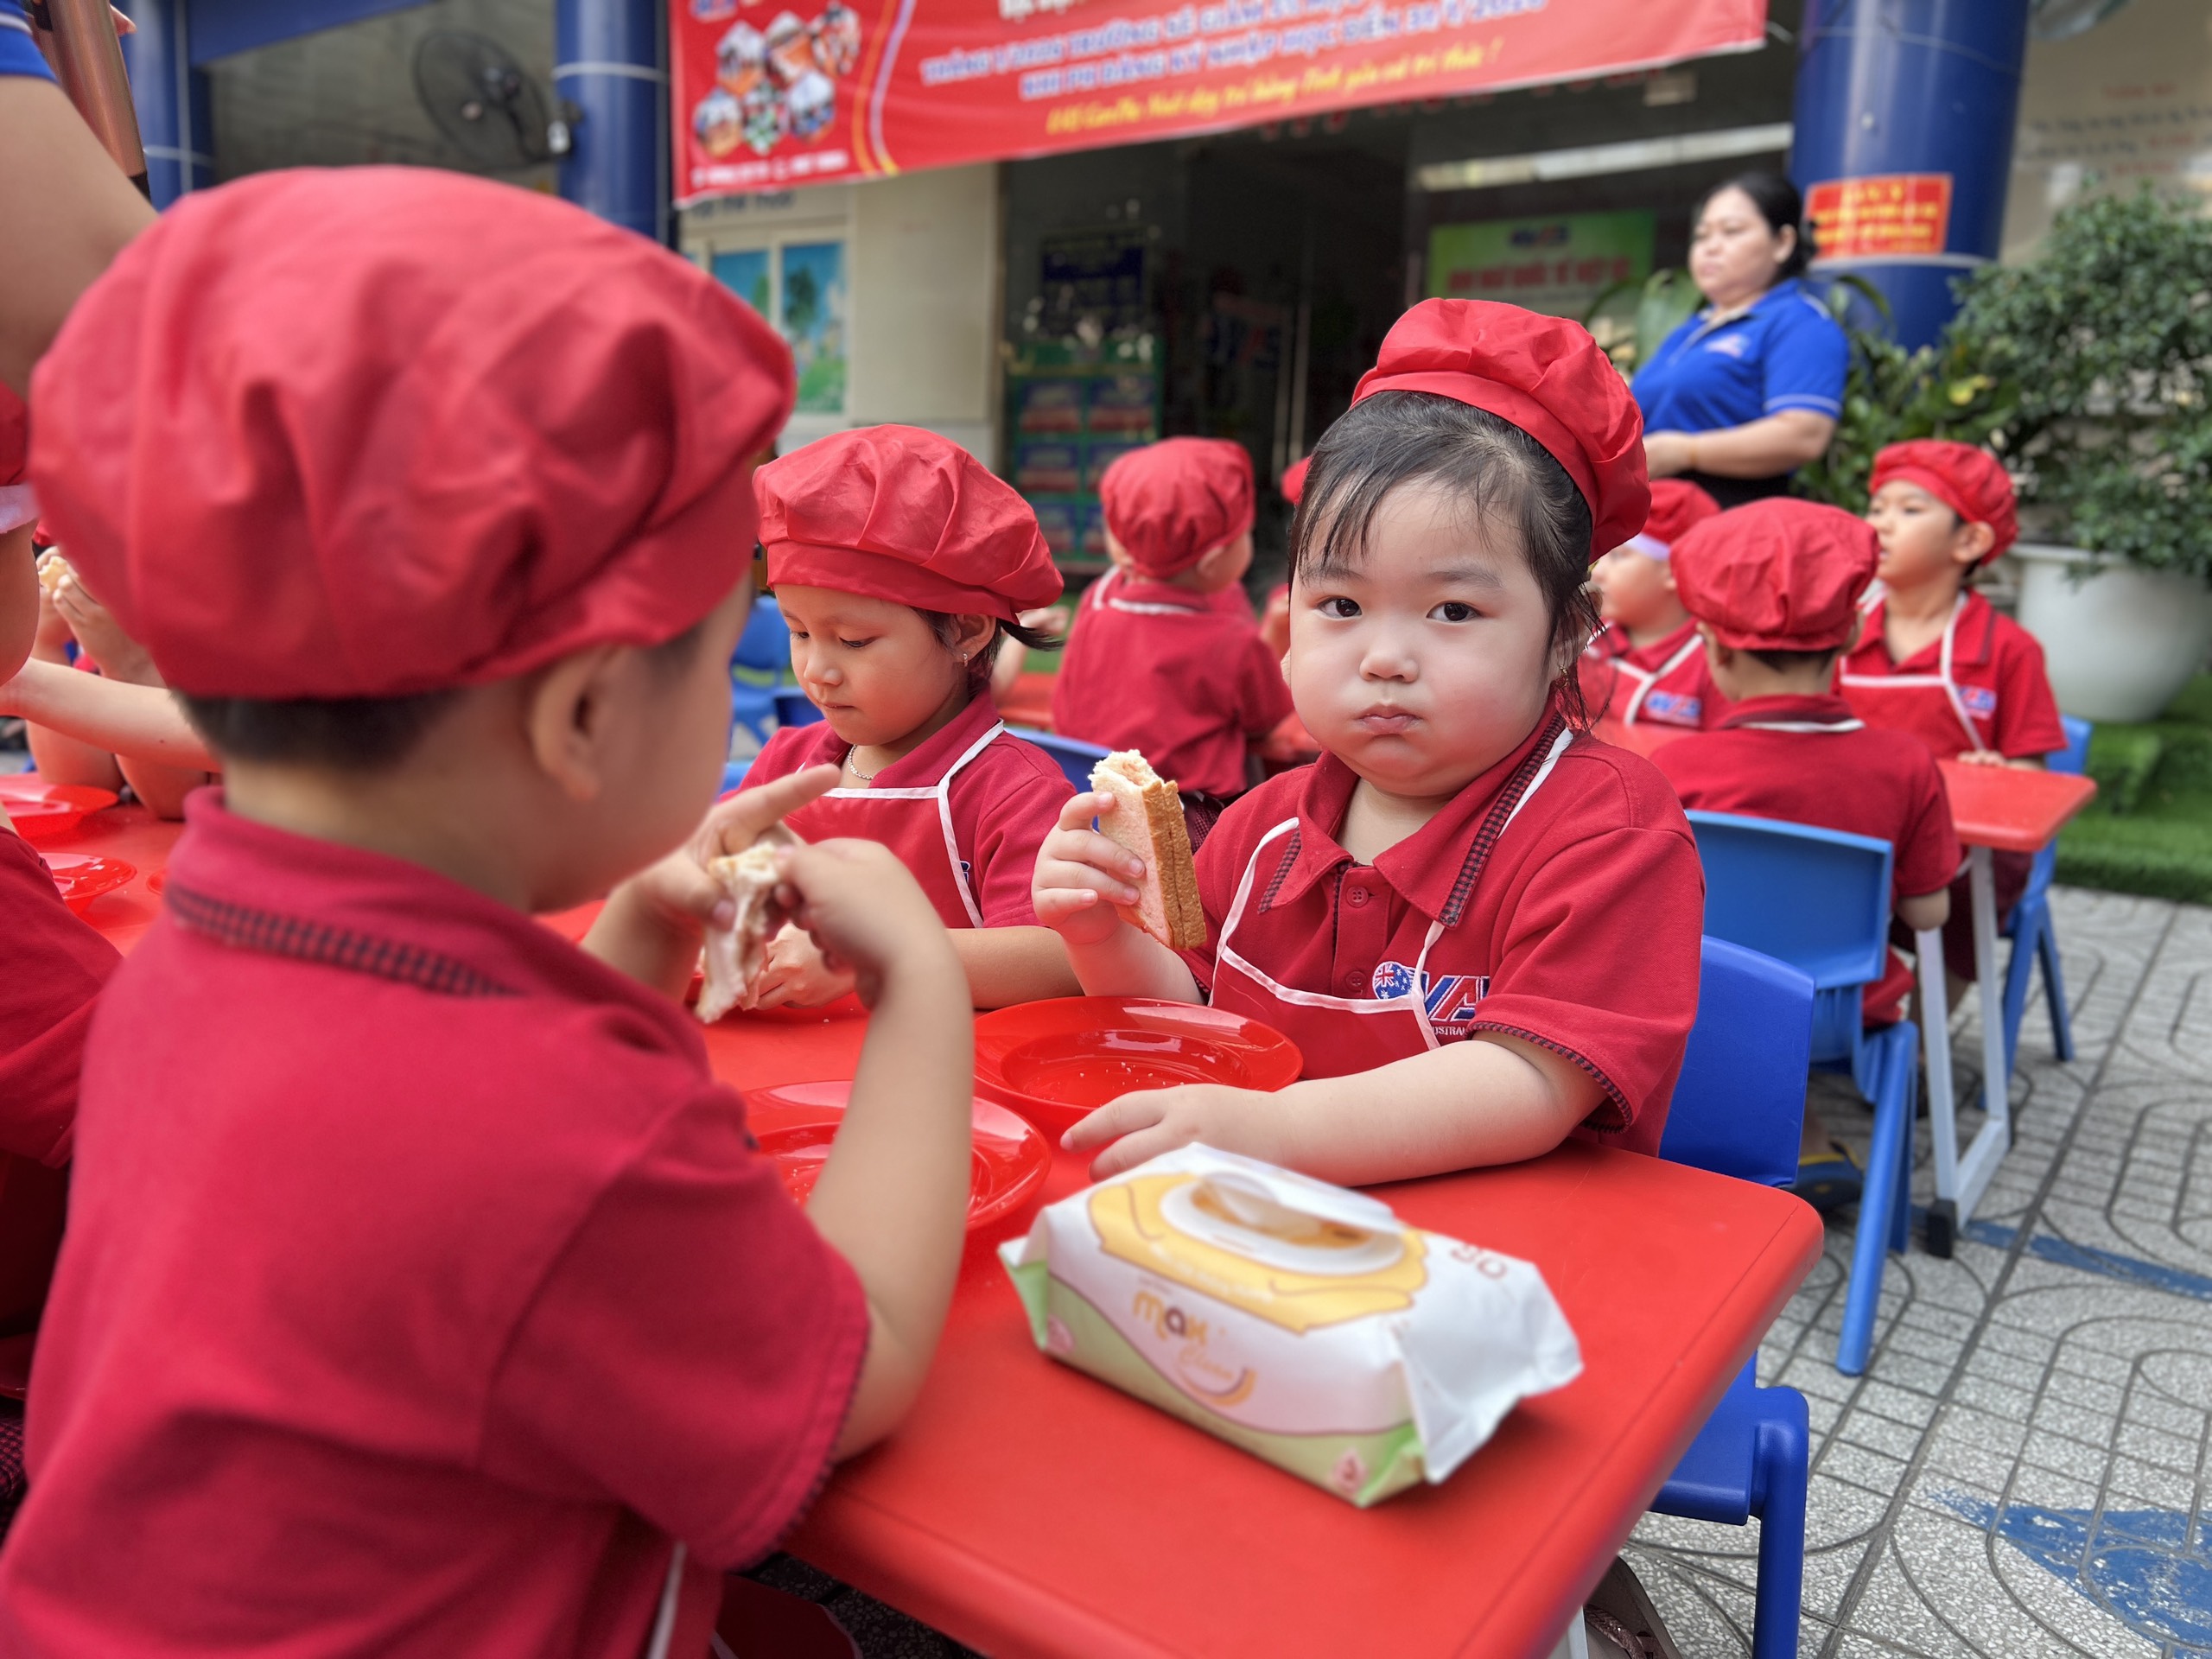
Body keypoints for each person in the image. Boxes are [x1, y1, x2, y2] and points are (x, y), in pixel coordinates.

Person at [0, 168, 980, 1659]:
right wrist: (918, 987)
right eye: (728, 648)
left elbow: (443, 1162)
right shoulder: (573, 1136)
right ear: (583, 713)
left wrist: (636, 937)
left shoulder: (189, 956)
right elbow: (862, 1370)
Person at [1031, 298, 1705, 1186]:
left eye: (1453, 611)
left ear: (1564, 637)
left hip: (1507, 1253)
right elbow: (1191, 1013)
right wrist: (1097, 935)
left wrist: (1272, 1129)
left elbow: (1533, 1080)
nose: (1384, 658)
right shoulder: (1260, 825)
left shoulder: (1608, 832)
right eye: (1341, 604)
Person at [1654, 499, 1961, 1204]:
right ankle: (1803, 1143)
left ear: (1712, 646)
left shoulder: (1676, 768)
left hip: (1699, 1007)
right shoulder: (1907, 764)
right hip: (1843, 1019)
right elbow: (1929, 913)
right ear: (1852, 631)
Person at [739, 425, 1081, 1011]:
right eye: (798, 632)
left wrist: (871, 953)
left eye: (853, 640)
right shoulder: (787, 764)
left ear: (966, 630)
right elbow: (719, 873)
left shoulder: (1011, 792)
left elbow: (1062, 961)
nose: (818, 670)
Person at [1840, 439, 2065, 988]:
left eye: (1909, 510)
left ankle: (1924, 1035)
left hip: (1962, 854)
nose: (1880, 524)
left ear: (1970, 540)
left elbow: (2032, 778)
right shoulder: (1838, 626)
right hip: (1853, 824)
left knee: (1965, 905)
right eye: (1876, 507)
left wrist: (2000, 774)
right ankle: (1846, 1014)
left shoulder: (2009, 650)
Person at [1052, 436, 1293, 812]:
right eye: (1246, 533)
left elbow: (1065, 708)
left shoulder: (1097, 602)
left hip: (1091, 800)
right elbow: (1267, 718)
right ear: (1213, 562)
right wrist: (1275, 636)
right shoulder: (1230, 639)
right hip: (1189, 815)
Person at [1631, 173, 1847, 508]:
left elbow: (1804, 434)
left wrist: (1686, 451)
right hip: (1653, 516)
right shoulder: (1687, 331)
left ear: (1783, 243)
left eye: (1731, 231)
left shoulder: (1799, 322)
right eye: (1702, 235)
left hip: (1729, 515)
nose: (1711, 247)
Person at [26, 547, 213, 817]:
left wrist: (128, 666)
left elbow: (178, 802)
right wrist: (45, 642)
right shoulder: (105, 622)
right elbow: (81, 787)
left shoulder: (230, 631)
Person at [1580, 478, 1726, 731]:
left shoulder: (1716, 661)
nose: (1598, 573)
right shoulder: (1583, 634)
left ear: (1675, 572)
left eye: (1618, 556)